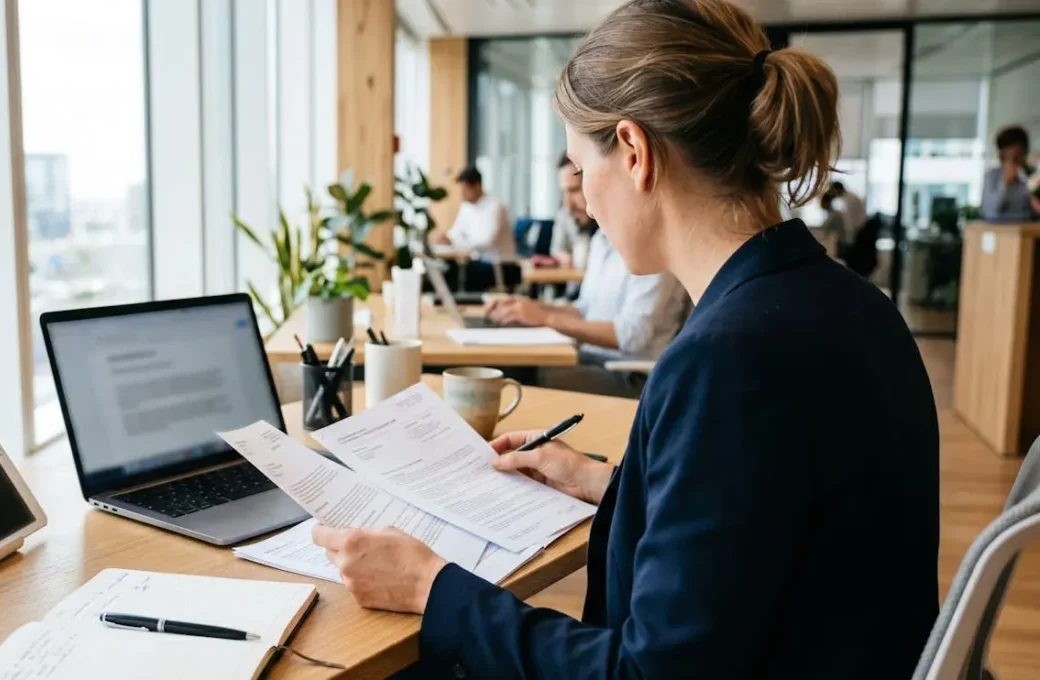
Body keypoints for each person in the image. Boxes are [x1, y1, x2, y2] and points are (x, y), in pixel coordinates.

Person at [310, 1, 940, 678]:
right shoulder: (853, 305)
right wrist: (609, 484)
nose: (585, 200)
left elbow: (648, 673)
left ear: (635, 153)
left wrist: (431, 589)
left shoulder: (727, 360)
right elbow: (769, 525)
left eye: (583, 169)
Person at [485, 158, 686, 398]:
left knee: (515, 375)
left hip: (629, 375)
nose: (567, 205)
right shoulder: (602, 239)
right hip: (592, 357)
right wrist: (525, 309)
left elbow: (632, 335)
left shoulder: (652, 247)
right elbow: (585, 309)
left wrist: (546, 318)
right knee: (503, 361)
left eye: (575, 191)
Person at [435, 167, 516, 262]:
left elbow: (487, 243)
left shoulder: (495, 207)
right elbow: (456, 232)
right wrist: (446, 238)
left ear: (477, 186)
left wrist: (453, 242)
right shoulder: (466, 207)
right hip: (477, 261)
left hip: (498, 265)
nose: (462, 193)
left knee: (453, 271)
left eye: (465, 188)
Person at [982, 126, 1040, 222]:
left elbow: (1035, 213)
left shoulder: (1032, 176)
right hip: (1000, 231)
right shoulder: (992, 176)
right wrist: (1004, 183)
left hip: (1027, 231)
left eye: (1018, 153)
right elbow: (990, 211)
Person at [549, 153, 594, 268]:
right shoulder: (565, 215)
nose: (568, 204)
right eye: (564, 192)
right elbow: (556, 249)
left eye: (574, 190)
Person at [828, 181, 866, 245]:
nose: (834, 194)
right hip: (858, 228)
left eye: (834, 191)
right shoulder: (847, 197)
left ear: (837, 190)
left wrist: (849, 239)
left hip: (860, 229)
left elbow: (850, 220)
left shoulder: (849, 199)